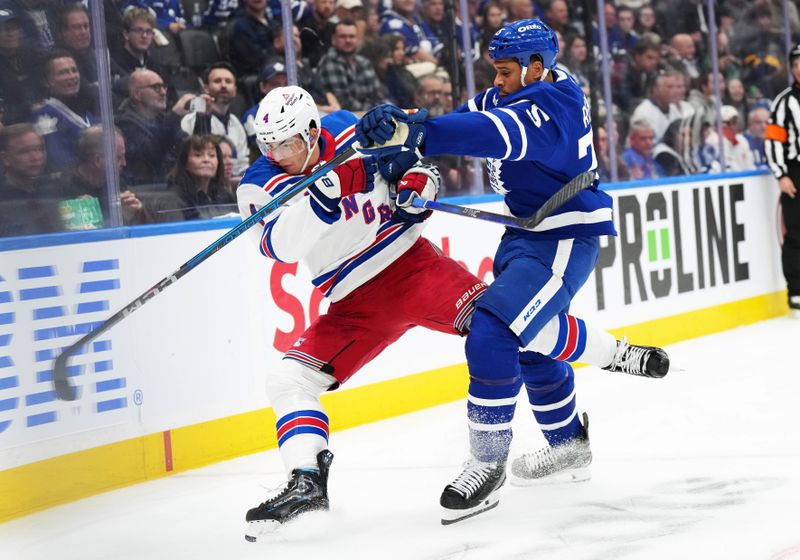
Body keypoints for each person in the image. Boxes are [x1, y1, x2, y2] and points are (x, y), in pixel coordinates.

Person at [355, 18, 670, 525]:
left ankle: (487, 464)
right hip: (525, 237)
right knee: (529, 340)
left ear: (536, 66)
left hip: (564, 237)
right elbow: (464, 120)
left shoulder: (556, 104)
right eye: (495, 72)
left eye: (504, 72)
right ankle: (570, 442)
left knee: (492, 328)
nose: (496, 81)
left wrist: (422, 131)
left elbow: (490, 133)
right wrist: (402, 135)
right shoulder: (512, 90)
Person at [236, 85, 491, 540]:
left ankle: (570, 421)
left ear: (313, 131)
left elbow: (417, 163)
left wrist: (419, 187)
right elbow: (281, 246)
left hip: (413, 267)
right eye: (267, 144)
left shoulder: (347, 130)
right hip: (355, 302)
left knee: (503, 327)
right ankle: (307, 482)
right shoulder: (259, 183)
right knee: (288, 381)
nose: (276, 153)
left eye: (287, 143)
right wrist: (323, 190)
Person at [765, 44, 800, 317]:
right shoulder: (784, 102)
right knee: (796, 234)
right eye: (796, 63)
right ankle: (797, 291)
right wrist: (781, 174)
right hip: (795, 172)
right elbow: (773, 141)